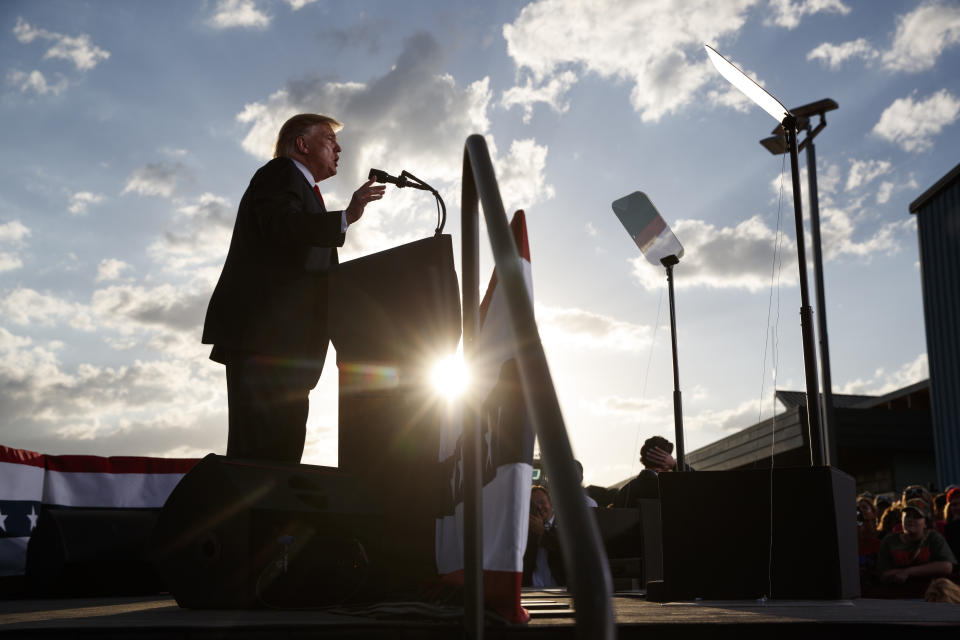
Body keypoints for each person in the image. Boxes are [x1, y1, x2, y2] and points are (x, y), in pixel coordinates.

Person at [202, 113, 385, 463]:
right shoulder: (280, 173)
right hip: (266, 344)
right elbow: (283, 227)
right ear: (302, 144)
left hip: (288, 351)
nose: (339, 147)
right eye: (330, 139)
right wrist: (345, 217)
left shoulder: (307, 195)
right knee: (257, 461)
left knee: (279, 463)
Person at [873, 499, 956, 598]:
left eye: (917, 517)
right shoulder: (889, 540)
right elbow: (883, 574)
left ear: (925, 523)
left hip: (930, 596)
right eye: (907, 516)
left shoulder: (934, 538)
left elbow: (946, 566)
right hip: (897, 597)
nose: (911, 520)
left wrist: (908, 572)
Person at [614, 436, 691, 507]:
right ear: (665, 460)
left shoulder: (625, 490)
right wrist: (675, 465)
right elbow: (698, 487)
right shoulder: (670, 487)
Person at [522, 485, 565, 588]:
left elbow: (567, 550)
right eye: (533, 504)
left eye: (542, 502)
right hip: (531, 591)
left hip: (561, 591)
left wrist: (542, 532)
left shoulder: (566, 525)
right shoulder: (524, 529)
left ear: (551, 504)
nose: (539, 507)